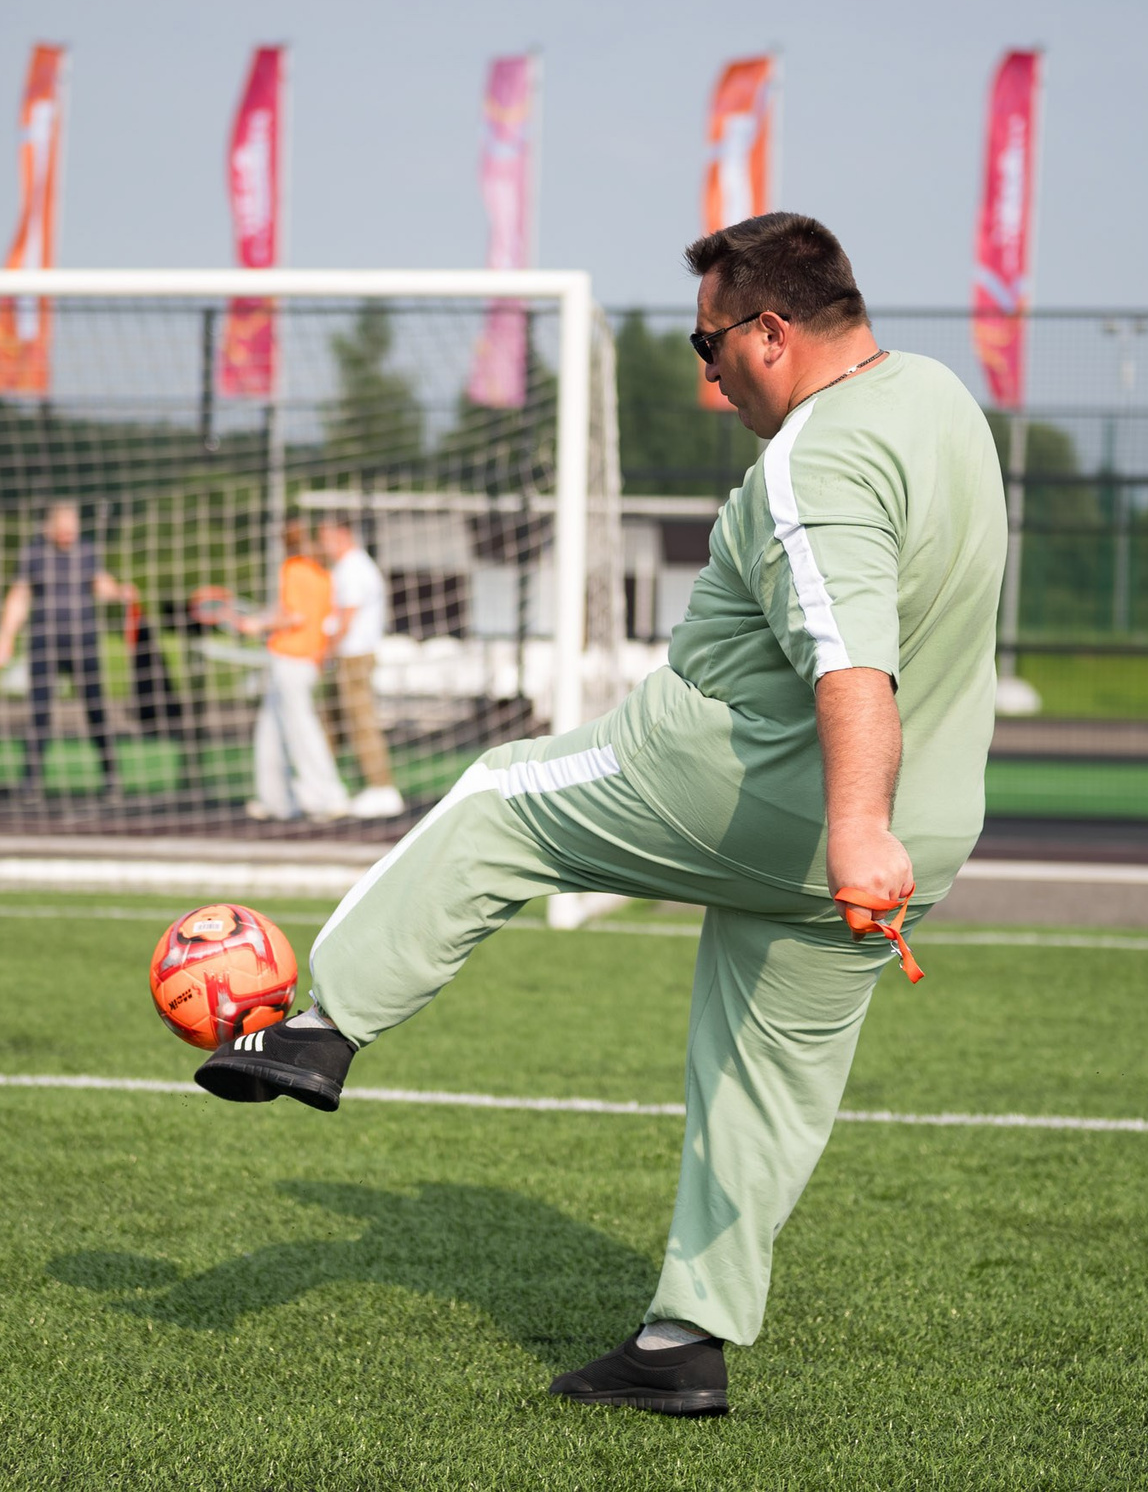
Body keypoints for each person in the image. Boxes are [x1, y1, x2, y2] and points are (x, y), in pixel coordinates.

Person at [196, 214, 1006, 1416]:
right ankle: (684, 1341)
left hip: (763, 786)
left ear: (773, 331)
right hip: (916, 834)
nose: (704, 370)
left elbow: (851, 663)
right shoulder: (941, 398)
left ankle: (321, 1026)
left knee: (494, 798)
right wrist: (873, 835)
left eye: (710, 339)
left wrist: (853, 825)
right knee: (763, 1078)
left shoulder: (814, 460)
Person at [0, 502, 134, 802]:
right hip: (45, 644)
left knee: (97, 712)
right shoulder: (34, 554)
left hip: (83, 643)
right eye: (63, 526)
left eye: (73, 525)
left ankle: (111, 780)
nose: (69, 532)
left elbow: (101, 583)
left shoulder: (86, 551)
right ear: (50, 526)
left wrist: (120, 591)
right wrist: (4, 642)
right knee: (39, 714)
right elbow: (18, 597)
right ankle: (31, 783)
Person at [236, 518, 350, 822]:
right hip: (302, 658)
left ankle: (330, 796)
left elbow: (294, 616)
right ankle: (277, 801)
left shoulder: (295, 567)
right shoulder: (324, 574)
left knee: (301, 729)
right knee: (270, 730)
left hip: (293, 660)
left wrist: (258, 624)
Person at [320, 518, 401, 818]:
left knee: (360, 722)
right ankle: (321, 785)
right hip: (346, 656)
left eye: (326, 537)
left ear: (342, 534)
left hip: (354, 657)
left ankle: (381, 788)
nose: (322, 545)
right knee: (331, 723)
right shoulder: (347, 568)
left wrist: (324, 651)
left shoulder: (354, 568)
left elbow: (347, 617)